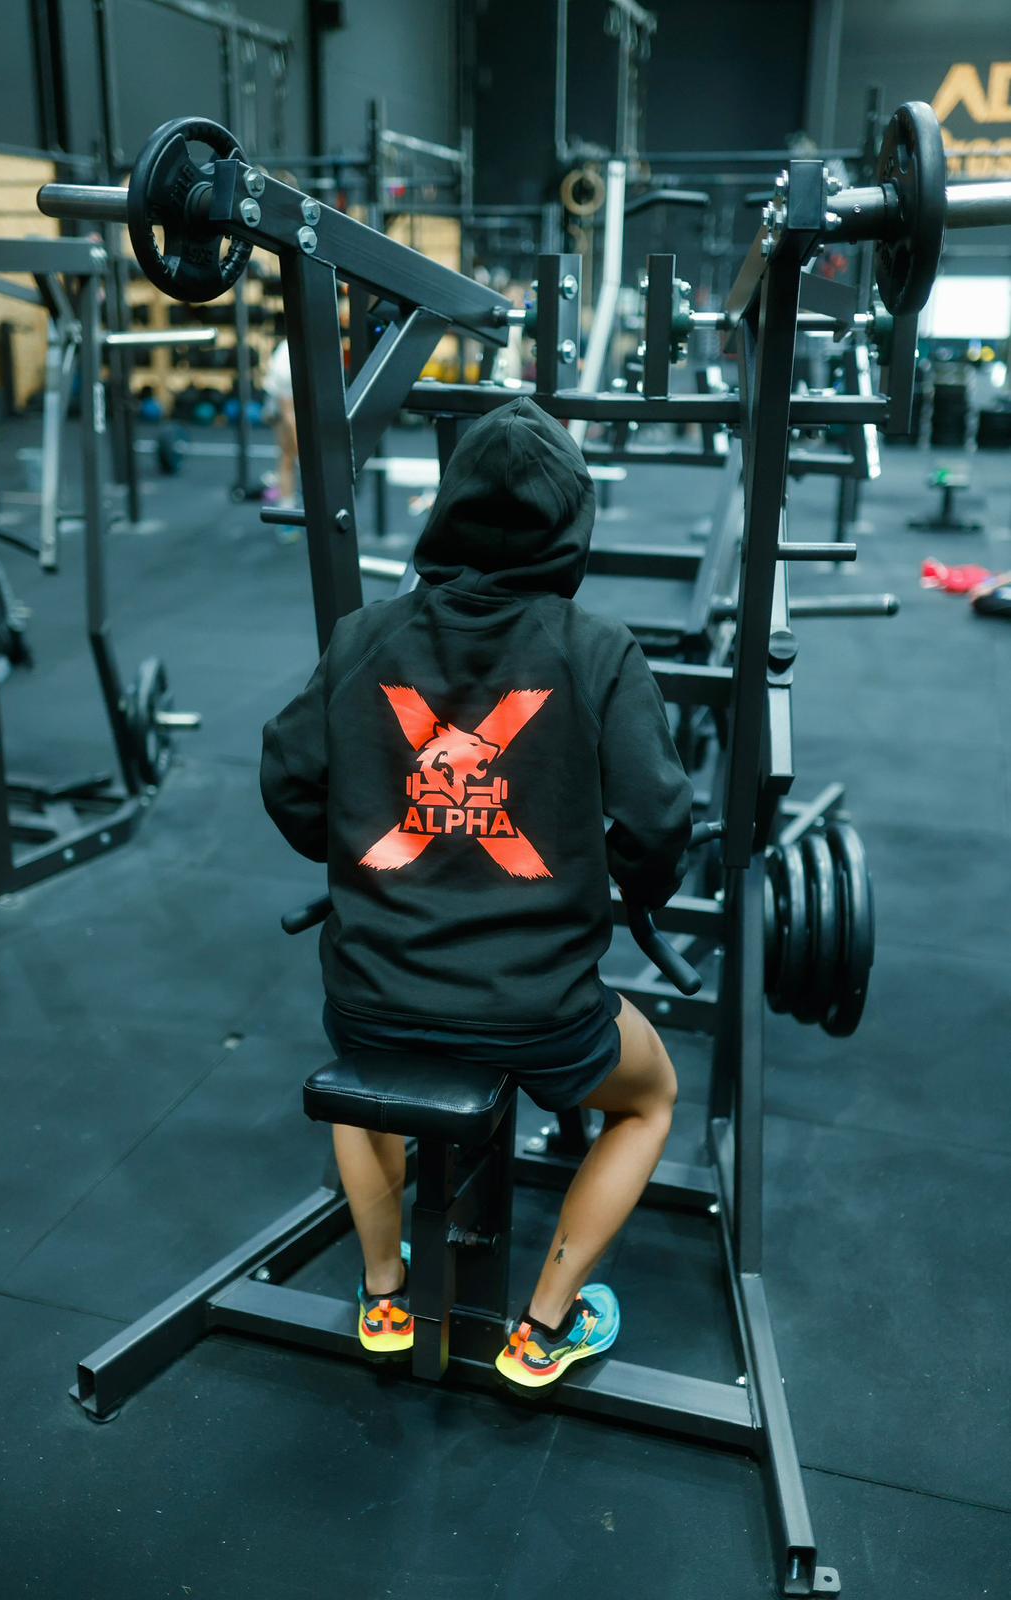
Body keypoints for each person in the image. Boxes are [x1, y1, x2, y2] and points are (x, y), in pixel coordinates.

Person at [261, 397, 692, 1391]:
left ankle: (384, 1297)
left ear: (447, 509)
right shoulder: (599, 649)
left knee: (362, 1063)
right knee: (651, 1099)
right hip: (537, 1010)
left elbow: (288, 781)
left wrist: (363, 857)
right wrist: (634, 888)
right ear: (571, 524)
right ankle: (542, 1329)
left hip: (374, 989)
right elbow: (658, 823)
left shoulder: (363, 635)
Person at [262, 336, 298, 510]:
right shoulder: (286, 359)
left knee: (292, 455)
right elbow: (287, 412)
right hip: (282, 400)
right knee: (287, 454)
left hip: (299, 400)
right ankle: (286, 504)